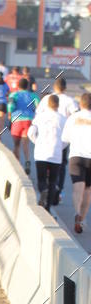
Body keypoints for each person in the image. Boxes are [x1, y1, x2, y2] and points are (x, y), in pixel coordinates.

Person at [37, 76, 79, 203]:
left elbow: (38, 115)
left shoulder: (46, 99)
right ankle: (57, 192)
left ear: (54, 87)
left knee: (43, 168)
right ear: (65, 88)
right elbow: (76, 117)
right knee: (61, 166)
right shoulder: (71, 101)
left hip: (45, 139)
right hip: (62, 138)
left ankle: (43, 190)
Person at [28, 94, 66, 214]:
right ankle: (48, 208)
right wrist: (60, 146)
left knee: (41, 178)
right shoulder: (63, 119)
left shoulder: (40, 117)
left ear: (47, 104)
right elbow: (66, 139)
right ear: (58, 105)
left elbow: (31, 132)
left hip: (41, 153)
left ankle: (43, 190)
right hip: (56, 154)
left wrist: (37, 142)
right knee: (53, 181)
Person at [61, 92, 91, 233]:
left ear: (81, 104)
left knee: (77, 189)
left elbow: (65, 138)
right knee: (88, 191)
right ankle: (82, 220)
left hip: (76, 157)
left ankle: (77, 212)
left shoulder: (73, 118)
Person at [7, 77, 38, 174]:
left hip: (17, 120)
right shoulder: (33, 96)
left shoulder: (13, 95)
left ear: (18, 86)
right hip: (29, 120)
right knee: (26, 143)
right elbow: (38, 106)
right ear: (28, 86)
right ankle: (27, 160)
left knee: (16, 145)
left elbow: (10, 106)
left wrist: (9, 115)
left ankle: (18, 165)